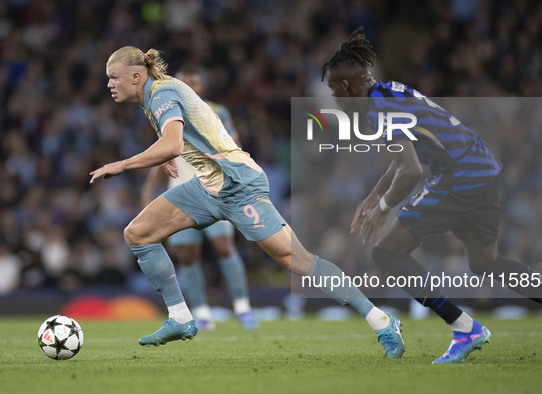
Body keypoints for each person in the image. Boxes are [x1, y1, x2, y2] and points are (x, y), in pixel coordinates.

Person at [90, 46, 404, 357]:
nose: (108, 84)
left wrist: (123, 164)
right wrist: (176, 153)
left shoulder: (160, 94)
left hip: (239, 185)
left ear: (135, 76)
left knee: (297, 260)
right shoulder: (153, 98)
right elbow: (180, 139)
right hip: (207, 187)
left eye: (113, 77)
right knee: (138, 234)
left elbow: (172, 142)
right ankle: (181, 318)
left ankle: (381, 321)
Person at [321, 27, 542, 363]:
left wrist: (384, 207)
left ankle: (465, 327)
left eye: (333, 91)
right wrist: (373, 197)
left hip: (458, 176)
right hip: (483, 169)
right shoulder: (389, 92)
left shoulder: (379, 109)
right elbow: (403, 157)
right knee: (486, 262)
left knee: (387, 254)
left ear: (346, 86)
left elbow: (412, 171)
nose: (333, 98)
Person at [141, 69, 257, 331]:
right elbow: (162, 151)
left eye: (193, 82)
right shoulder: (165, 111)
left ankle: (243, 308)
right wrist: (149, 188)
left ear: (201, 86)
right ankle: (202, 313)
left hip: (214, 189)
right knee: (187, 255)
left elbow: (232, 147)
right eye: (184, 82)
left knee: (223, 245)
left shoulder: (217, 112)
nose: (189, 86)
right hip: (180, 191)